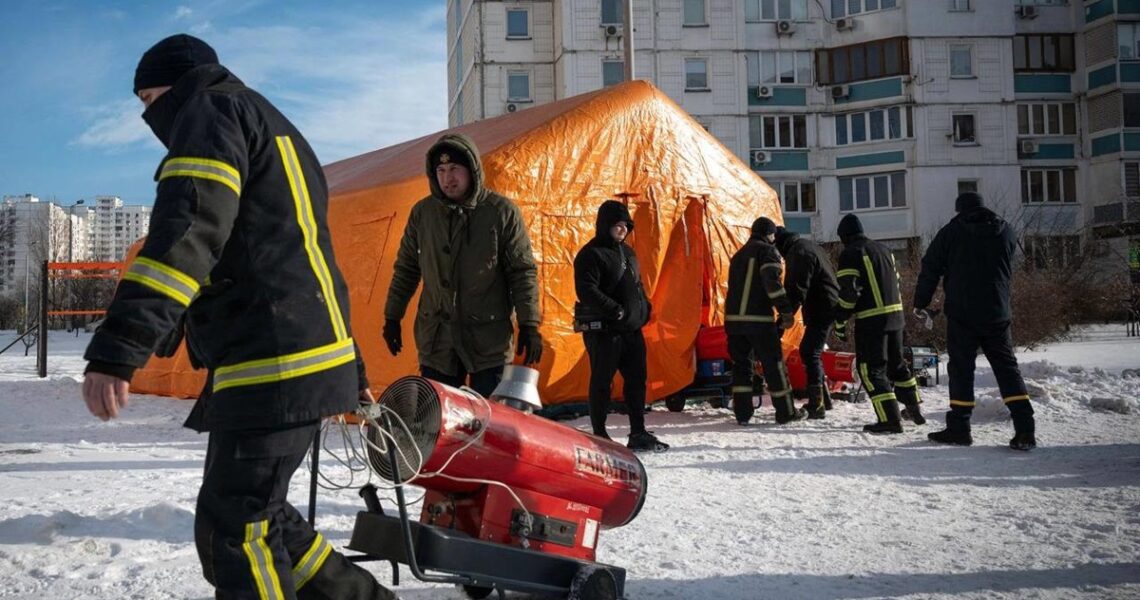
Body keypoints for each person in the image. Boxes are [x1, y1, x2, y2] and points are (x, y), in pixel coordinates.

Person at [80, 35, 395, 599]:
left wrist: (117, 349)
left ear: (177, 86)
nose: (149, 116)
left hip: (270, 362)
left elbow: (189, 232)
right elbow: (299, 258)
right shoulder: (276, 128)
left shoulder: (210, 113)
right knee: (262, 518)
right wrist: (354, 365)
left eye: (150, 100)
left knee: (235, 530)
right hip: (303, 356)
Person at [382, 133, 542, 398]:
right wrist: (392, 316)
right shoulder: (423, 214)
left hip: (487, 339)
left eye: (455, 168)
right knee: (438, 423)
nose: (448, 178)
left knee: (490, 424)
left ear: (472, 169)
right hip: (438, 339)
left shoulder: (501, 212)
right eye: (441, 170)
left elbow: (521, 272)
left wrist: (529, 324)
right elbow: (407, 269)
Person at [914, 192, 1036, 450]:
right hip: (997, 312)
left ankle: (960, 428)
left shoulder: (952, 231)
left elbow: (930, 267)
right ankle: (1025, 429)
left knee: (961, 368)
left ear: (960, 210)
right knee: (1006, 368)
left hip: (962, 313)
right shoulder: (1006, 231)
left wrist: (921, 302)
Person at [573, 200, 669, 451]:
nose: (623, 230)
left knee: (637, 381)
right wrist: (614, 310)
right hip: (605, 331)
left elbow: (637, 285)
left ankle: (638, 432)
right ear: (605, 225)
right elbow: (586, 290)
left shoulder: (629, 253)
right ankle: (599, 433)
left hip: (632, 330)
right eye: (618, 225)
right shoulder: (590, 254)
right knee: (602, 382)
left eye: (626, 225)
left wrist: (645, 308)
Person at [833, 214, 924, 434]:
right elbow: (897, 283)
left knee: (871, 370)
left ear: (844, 237)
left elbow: (848, 294)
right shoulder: (885, 250)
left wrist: (840, 320)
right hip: (896, 318)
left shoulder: (850, 254)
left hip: (872, 321)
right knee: (897, 365)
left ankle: (890, 420)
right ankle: (914, 410)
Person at [725, 217, 805, 426]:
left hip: (734, 321)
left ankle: (742, 413)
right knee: (774, 365)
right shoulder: (768, 252)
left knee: (741, 366)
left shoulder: (738, 255)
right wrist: (785, 311)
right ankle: (786, 412)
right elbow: (773, 285)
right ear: (770, 235)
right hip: (759, 320)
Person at [774, 226, 840, 419]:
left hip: (822, 307)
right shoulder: (807, 246)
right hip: (825, 305)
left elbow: (796, 290)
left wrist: (783, 320)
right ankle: (823, 400)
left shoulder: (798, 252)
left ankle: (817, 405)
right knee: (813, 351)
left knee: (809, 351)